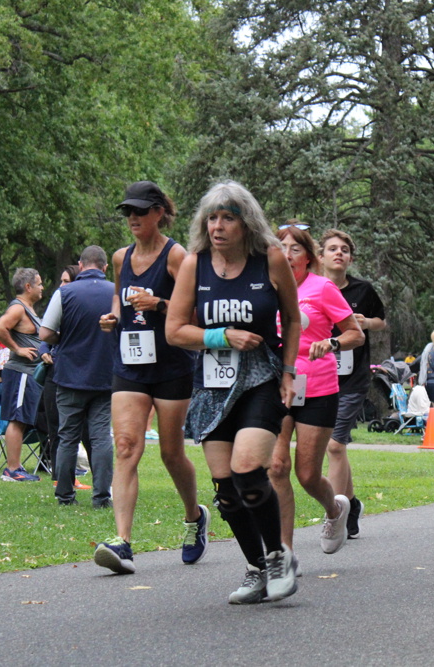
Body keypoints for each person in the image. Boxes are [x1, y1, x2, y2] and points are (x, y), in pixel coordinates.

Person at [166, 180, 302, 604]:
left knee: (247, 470)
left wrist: (289, 372)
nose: (218, 226)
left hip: (261, 378)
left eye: (228, 218)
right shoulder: (195, 265)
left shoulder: (271, 259)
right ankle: (256, 569)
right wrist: (222, 335)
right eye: (212, 218)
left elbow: (292, 319)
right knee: (226, 489)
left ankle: (278, 557)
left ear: (247, 224)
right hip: (212, 385)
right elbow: (175, 331)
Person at [94, 181, 208, 574]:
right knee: (126, 446)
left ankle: (194, 518)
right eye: (128, 211)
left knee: (171, 453)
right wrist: (113, 316)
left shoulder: (177, 257)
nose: (133, 218)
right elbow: (118, 295)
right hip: (130, 364)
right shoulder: (120, 258)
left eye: (140, 211)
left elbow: (197, 313)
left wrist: (159, 304)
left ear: (159, 212)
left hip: (172, 366)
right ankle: (122, 543)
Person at [270, 224, 364, 563]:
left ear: (308, 257)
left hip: (318, 388)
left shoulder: (322, 288)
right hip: (277, 386)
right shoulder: (266, 288)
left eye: (294, 249)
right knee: (276, 467)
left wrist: (332, 342)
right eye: (281, 247)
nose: (287, 254)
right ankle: (284, 554)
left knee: (307, 474)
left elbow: (355, 334)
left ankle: (335, 508)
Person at [320, 229, 386, 539]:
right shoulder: (311, 288)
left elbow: (381, 321)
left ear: (350, 259)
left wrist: (366, 322)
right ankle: (352, 503)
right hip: (318, 376)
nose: (339, 253)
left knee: (334, 444)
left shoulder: (363, 289)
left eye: (344, 250)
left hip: (353, 378)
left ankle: (333, 515)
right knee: (337, 446)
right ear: (320, 256)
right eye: (332, 248)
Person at [39, 246, 115, 508]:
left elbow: (45, 333)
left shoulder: (64, 293)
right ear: (105, 267)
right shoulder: (116, 293)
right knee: (101, 437)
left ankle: (64, 494)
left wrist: (64, 338)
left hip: (70, 376)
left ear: (80, 266)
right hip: (105, 376)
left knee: (67, 437)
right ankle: (102, 496)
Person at [0, 267, 45, 482]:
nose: (42, 288)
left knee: (21, 419)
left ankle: (16, 466)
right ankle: (12, 470)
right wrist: (18, 349)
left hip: (30, 373)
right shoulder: (18, 308)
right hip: (21, 372)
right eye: (39, 284)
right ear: (28, 286)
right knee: (16, 419)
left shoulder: (28, 309)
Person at [39, 265, 90, 489]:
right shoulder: (58, 303)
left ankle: (98, 481)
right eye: (61, 280)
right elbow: (44, 335)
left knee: (85, 430)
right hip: (55, 372)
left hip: (80, 374)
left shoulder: (84, 307)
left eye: (66, 281)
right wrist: (43, 350)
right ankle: (60, 478)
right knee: (56, 427)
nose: (61, 285)